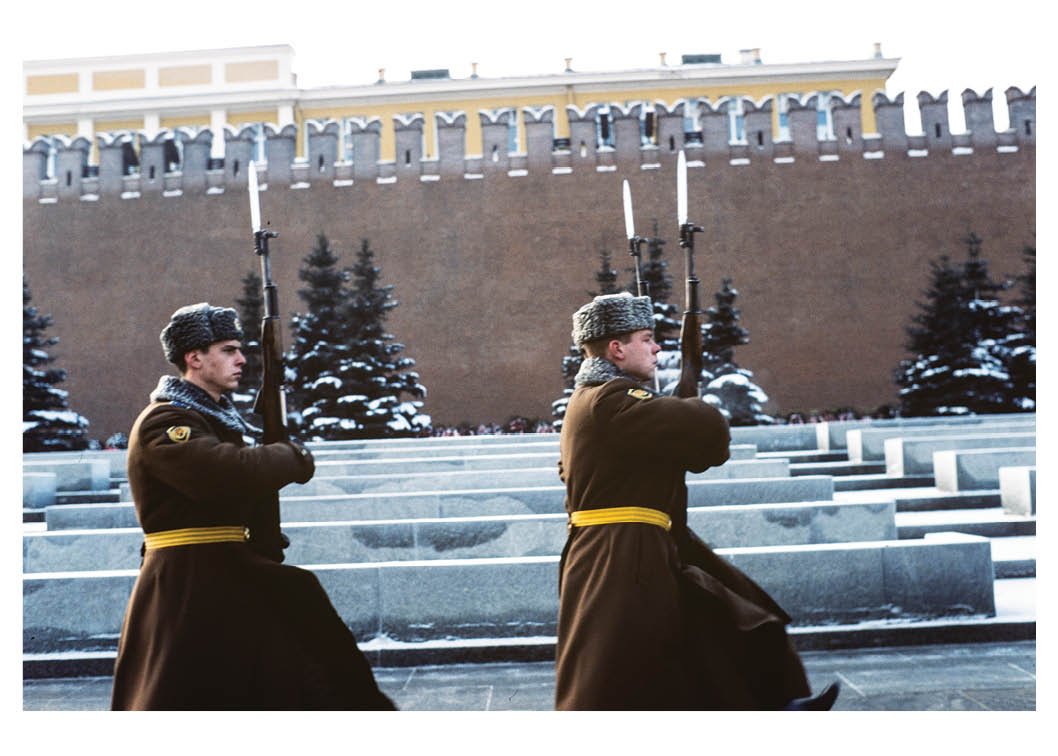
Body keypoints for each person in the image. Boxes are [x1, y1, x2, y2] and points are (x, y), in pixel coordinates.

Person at [554, 292, 838, 710]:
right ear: (616, 349)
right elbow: (709, 434)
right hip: (621, 555)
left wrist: (677, 401)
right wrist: (687, 400)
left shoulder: (600, 401)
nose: (656, 348)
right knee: (621, 675)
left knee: (717, 628)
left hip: (634, 549)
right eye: (646, 338)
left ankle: (774, 706)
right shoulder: (609, 400)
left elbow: (694, 452)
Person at [110, 303, 395, 710]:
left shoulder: (212, 419)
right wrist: (293, 456)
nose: (241, 359)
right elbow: (223, 474)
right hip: (188, 584)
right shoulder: (166, 421)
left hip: (224, 572)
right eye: (228, 350)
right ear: (194, 358)